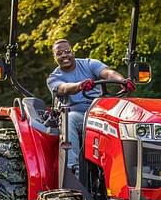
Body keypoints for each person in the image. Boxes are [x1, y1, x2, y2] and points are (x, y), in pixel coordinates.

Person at [46, 39, 136, 176]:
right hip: (78, 115)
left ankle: (133, 168)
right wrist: (79, 86)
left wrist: (122, 81)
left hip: (100, 111)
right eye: (59, 53)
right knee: (69, 119)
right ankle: (72, 171)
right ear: (55, 57)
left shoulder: (89, 64)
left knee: (128, 117)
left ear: (73, 52)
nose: (64, 55)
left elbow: (108, 73)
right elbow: (63, 88)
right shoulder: (54, 77)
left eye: (67, 51)